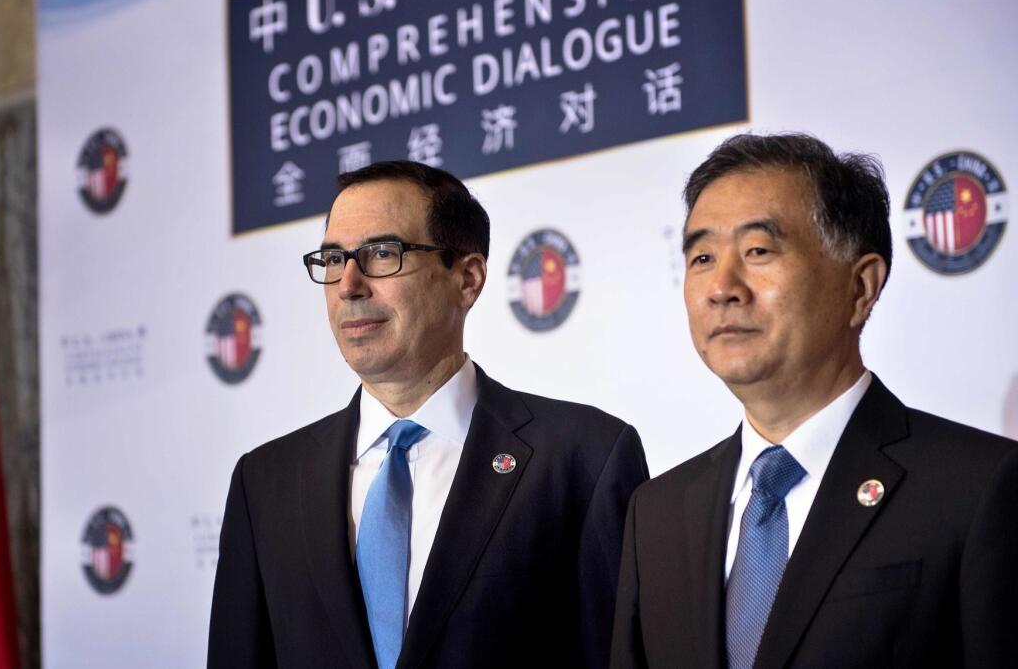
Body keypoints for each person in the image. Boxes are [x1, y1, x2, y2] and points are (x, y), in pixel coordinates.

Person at [209, 161, 648, 669]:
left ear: (468, 278)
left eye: (381, 253)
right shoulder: (266, 483)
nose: (349, 284)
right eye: (333, 258)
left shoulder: (584, 458)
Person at [611, 133, 1018, 668]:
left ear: (860, 287)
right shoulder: (656, 514)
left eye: (758, 250)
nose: (722, 286)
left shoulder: (979, 487)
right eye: (702, 256)